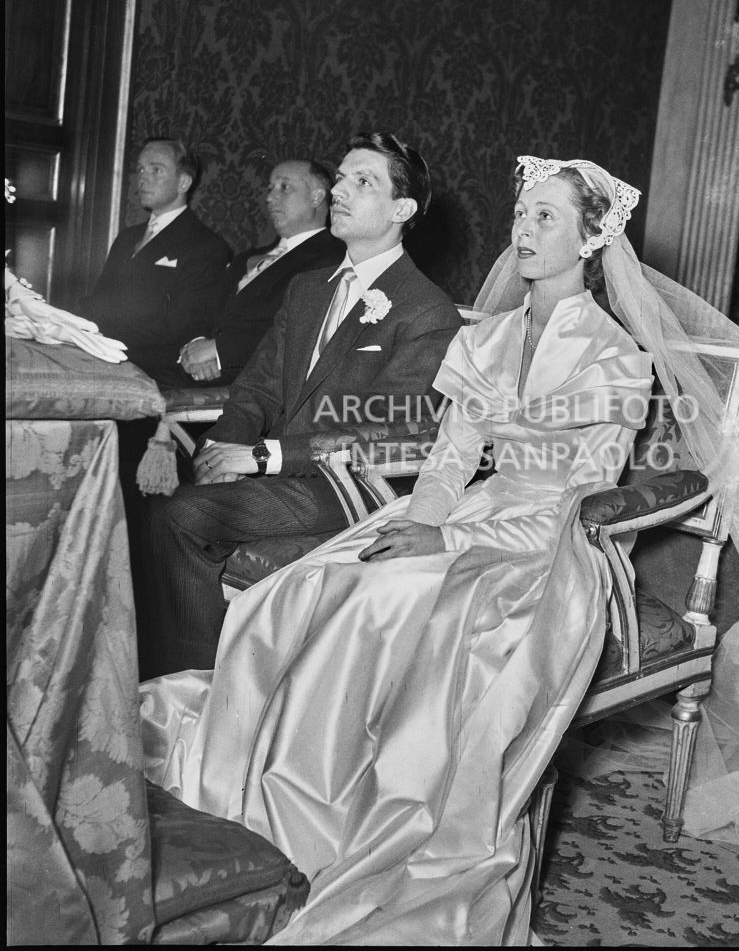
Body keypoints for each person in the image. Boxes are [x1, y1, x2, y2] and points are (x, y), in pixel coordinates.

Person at [140, 156, 739, 942]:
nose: (524, 230)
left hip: (552, 542)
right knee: (306, 587)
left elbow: (588, 491)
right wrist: (427, 520)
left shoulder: (615, 357)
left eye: (547, 218)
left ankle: (371, 827)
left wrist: (460, 537)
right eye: (523, 214)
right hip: (464, 511)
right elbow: (448, 458)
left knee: (394, 602)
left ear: (590, 241)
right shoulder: (488, 337)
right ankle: (275, 808)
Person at [137, 132, 463, 680]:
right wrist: (222, 441)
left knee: (182, 516)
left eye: (364, 182)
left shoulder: (426, 311)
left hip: (357, 487)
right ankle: (201, 674)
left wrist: (261, 457)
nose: (340, 190)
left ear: (401, 209)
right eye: (340, 177)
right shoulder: (309, 287)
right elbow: (260, 386)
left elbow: (385, 432)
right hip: (287, 471)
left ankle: (194, 686)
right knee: (172, 505)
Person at [176, 159, 345, 387]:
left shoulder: (333, 259)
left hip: (264, 390)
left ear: (316, 197)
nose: (269, 197)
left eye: (284, 187)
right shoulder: (246, 258)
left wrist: (220, 351)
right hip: (203, 380)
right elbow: (204, 309)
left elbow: (302, 334)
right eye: (270, 189)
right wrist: (196, 345)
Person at [78, 137, 232, 384]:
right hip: (102, 357)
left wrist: (98, 335)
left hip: (151, 374)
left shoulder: (205, 246)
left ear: (183, 182)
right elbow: (99, 301)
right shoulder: (127, 238)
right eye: (140, 169)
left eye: (156, 170)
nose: (143, 177)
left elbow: (179, 325)